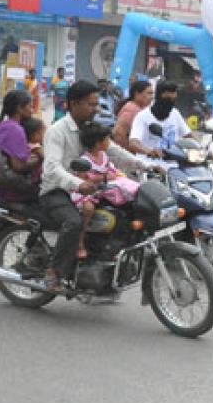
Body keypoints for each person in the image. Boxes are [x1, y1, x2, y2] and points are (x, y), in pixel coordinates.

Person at [40, 81, 146, 292]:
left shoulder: (90, 129)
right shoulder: (57, 131)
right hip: (58, 190)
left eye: (97, 104)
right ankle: (54, 272)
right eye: (91, 104)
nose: (97, 109)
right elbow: (51, 168)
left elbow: (114, 150)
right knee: (74, 222)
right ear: (74, 104)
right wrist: (79, 183)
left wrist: (147, 164)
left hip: (88, 187)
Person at [70, 122, 140, 259]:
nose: (110, 142)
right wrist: (103, 178)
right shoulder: (85, 160)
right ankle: (80, 241)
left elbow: (110, 169)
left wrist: (114, 175)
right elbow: (82, 182)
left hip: (102, 189)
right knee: (88, 208)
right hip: (85, 192)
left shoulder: (103, 155)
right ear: (98, 143)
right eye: (107, 139)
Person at [0, 90, 43, 205]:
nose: (32, 110)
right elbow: (18, 166)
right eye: (30, 106)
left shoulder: (2, 126)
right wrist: (40, 158)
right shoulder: (16, 129)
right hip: (12, 192)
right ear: (19, 108)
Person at [129, 81, 190, 161]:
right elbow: (133, 143)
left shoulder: (175, 113)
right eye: (167, 99)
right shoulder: (142, 116)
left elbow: (189, 136)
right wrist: (149, 152)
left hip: (174, 165)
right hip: (149, 166)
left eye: (173, 99)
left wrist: (202, 149)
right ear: (158, 97)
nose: (170, 103)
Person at [113, 81, 153, 153]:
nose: (152, 97)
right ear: (137, 94)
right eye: (149, 93)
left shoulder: (141, 109)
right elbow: (119, 136)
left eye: (152, 93)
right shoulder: (131, 110)